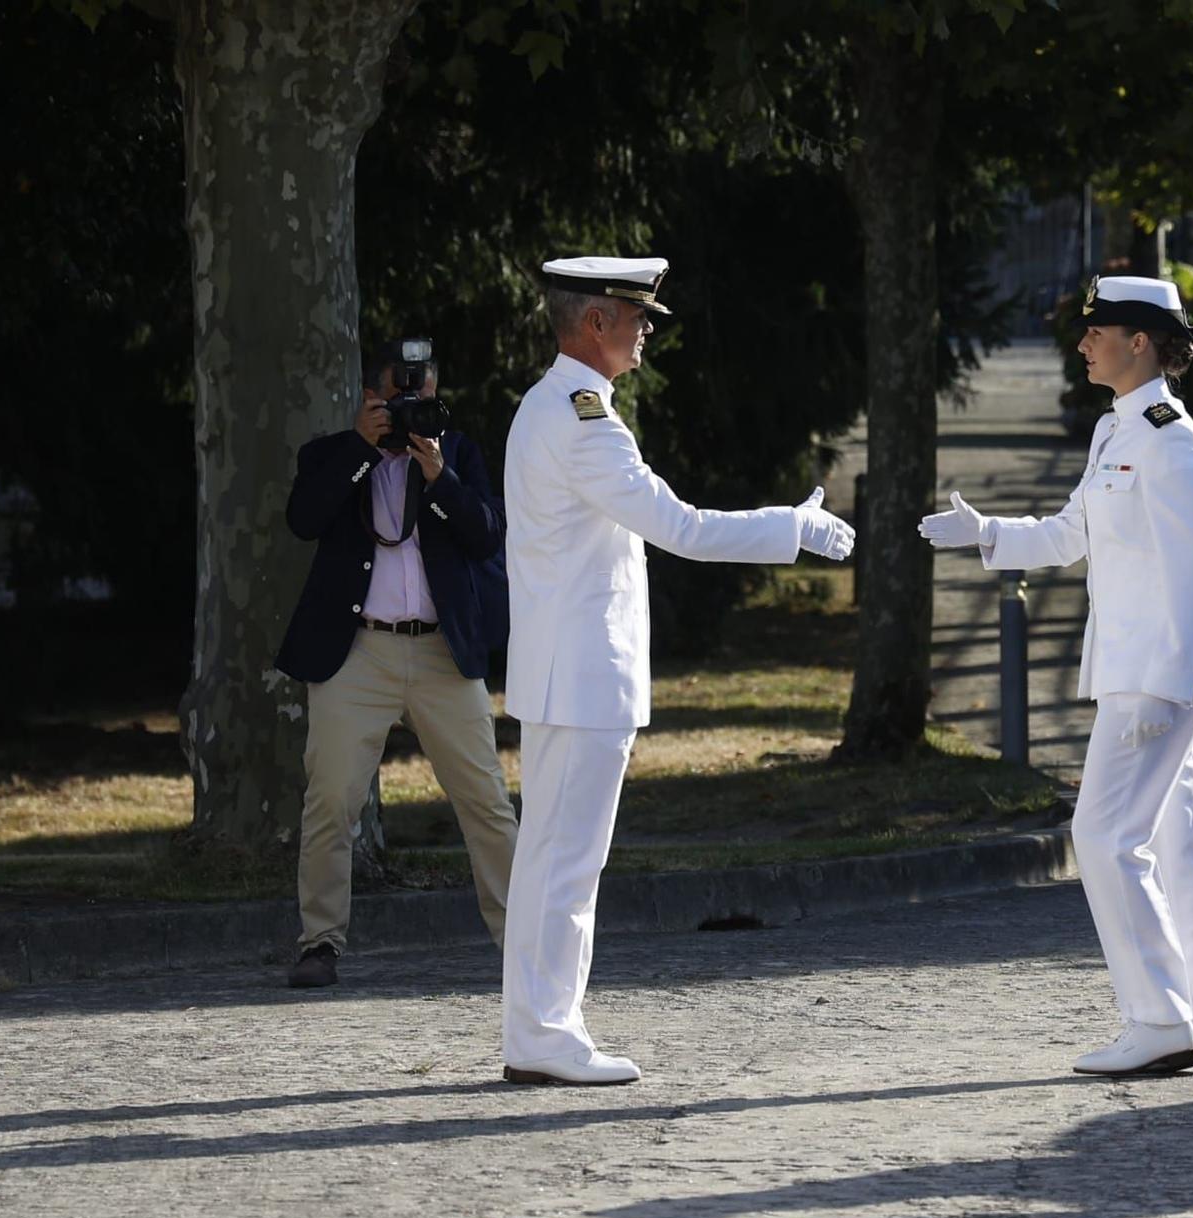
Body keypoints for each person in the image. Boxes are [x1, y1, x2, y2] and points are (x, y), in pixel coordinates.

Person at [499, 255, 855, 1086]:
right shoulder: (582, 420)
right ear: (594, 324)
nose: (647, 328)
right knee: (567, 864)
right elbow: (680, 527)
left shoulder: (555, 407)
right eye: (635, 314)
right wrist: (788, 527)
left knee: (553, 859)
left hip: (567, 674)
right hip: (582, 677)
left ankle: (537, 1028)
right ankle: (546, 1032)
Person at [920, 275, 1193, 1080]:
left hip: (1158, 672)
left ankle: (1159, 1019)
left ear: (1140, 342)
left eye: (1099, 331)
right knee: (1175, 844)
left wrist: (1167, 686)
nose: (1083, 343)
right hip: (1138, 667)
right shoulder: (1114, 432)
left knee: (1102, 836)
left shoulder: (1171, 437)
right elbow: (1069, 535)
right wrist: (986, 532)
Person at [273, 342, 518, 989]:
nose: (415, 410)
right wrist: (361, 447)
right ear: (370, 398)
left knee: (487, 799)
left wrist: (439, 477)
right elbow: (303, 519)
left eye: (426, 399)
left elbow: (487, 534)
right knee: (330, 798)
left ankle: (524, 941)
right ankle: (320, 941)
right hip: (358, 652)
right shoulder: (331, 454)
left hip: (442, 652)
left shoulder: (456, 454)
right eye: (401, 399)